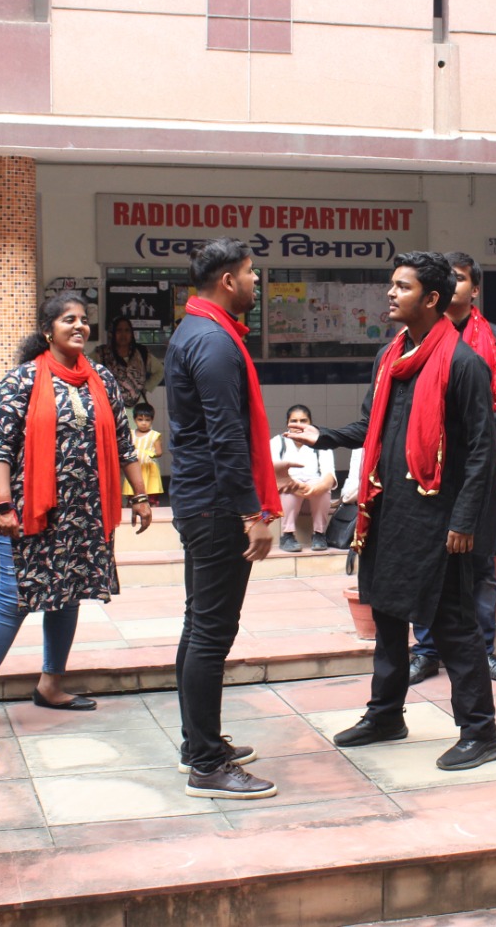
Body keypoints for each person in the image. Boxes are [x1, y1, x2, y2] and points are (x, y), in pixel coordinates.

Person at [286, 251, 496, 773]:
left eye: (402, 287)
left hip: (440, 518)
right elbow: (372, 426)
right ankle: (386, 715)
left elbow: (482, 450)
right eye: (392, 285)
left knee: (452, 624)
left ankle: (481, 732)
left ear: (431, 299)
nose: (390, 293)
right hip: (387, 509)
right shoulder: (390, 356)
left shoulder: (463, 364)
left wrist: (464, 520)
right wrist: (324, 436)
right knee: (385, 613)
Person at [0, 291, 149, 715]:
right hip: (30, 512)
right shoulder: (21, 380)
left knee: (68, 592)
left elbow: (124, 442)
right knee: (12, 599)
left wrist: (141, 496)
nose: (79, 326)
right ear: (47, 330)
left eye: (83, 320)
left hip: (84, 513)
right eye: (68, 320)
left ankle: (51, 685)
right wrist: (4, 506)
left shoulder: (101, 378)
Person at [164, 239, 282, 797]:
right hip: (216, 505)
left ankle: (198, 743)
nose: (257, 282)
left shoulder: (196, 329)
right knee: (211, 632)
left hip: (201, 498)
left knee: (200, 626)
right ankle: (208, 765)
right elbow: (225, 436)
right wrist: (251, 511)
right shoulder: (213, 341)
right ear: (229, 281)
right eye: (252, 273)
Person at [409, 252, 496, 686]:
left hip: (481, 464)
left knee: (482, 562)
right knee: (428, 558)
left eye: (460, 278)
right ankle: (426, 651)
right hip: (429, 464)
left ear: (475, 289)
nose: (453, 283)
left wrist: (483, 425)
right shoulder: (418, 336)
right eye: (447, 277)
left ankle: (484, 651)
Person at [271, 405, 337, 552]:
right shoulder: (277, 442)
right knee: (287, 489)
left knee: (323, 489)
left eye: (303, 420)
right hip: (289, 495)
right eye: (294, 421)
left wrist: (318, 488)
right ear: (287, 423)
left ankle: (319, 534)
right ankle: (287, 535)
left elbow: (329, 475)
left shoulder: (321, 442)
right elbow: (273, 475)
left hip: (314, 494)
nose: (298, 425)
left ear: (310, 422)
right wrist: (296, 487)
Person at [94, 316, 158, 420]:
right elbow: (86, 366)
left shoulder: (141, 353)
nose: (123, 334)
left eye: (127, 330)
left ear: (131, 333)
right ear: (113, 333)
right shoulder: (102, 353)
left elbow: (160, 371)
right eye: (119, 330)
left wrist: (145, 387)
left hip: (138, 409)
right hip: (112, 408)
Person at [125, 402, 165, 523]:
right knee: (133, 495)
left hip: (149, 469)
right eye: (140, 419)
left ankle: (153, 519)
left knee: (151, 496)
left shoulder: (154, 435)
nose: (143, 423)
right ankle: (132, 520)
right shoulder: (131, 434)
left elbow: (159, 452)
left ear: (152, 420)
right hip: (134, 468)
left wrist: (149, 454)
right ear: (134, 420)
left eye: (147, 420)